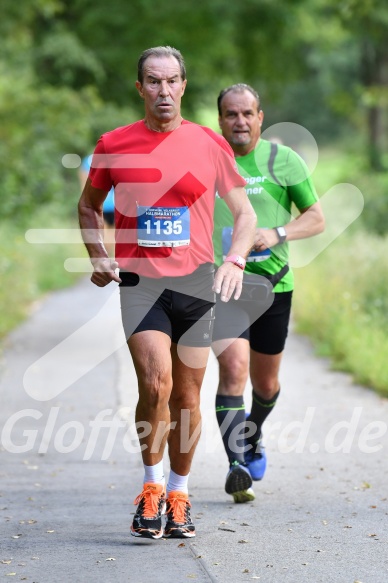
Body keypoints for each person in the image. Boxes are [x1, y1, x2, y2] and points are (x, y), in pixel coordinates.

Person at [78, 49, 256, 538]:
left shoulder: (207, 143)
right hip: (141, 282)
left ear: (183, 86)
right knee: (155, 385)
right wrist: (98, 254)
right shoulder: (114, 144)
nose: (163, 91)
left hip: (196, 282)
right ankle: (151, 487)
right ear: (140, 88)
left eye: (172, 81)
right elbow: (89, 207)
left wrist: (235, 259)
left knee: (186, 395)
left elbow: (244, 214)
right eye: (153, 82)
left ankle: (179, 493)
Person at [212, 84, 325, 503]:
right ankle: (236, 463)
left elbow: (315, 219)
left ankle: (253, 433)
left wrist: (276, 233)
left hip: (275, 284)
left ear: (261, 117)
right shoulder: (209, 160)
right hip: (225, 284)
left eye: (247, 114)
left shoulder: (283, 161)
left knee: (266, 382)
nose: (239, 122)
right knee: (233, 370)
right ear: (219, 119)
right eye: (230, 114)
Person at [79, 155, 115, 255]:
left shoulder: (88, 160)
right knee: (111, 236)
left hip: (98, 203)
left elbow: (84, 185)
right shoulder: (116, 157)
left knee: (103, 236)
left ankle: (106, 262)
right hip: (116, 203)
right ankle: (110, 261)